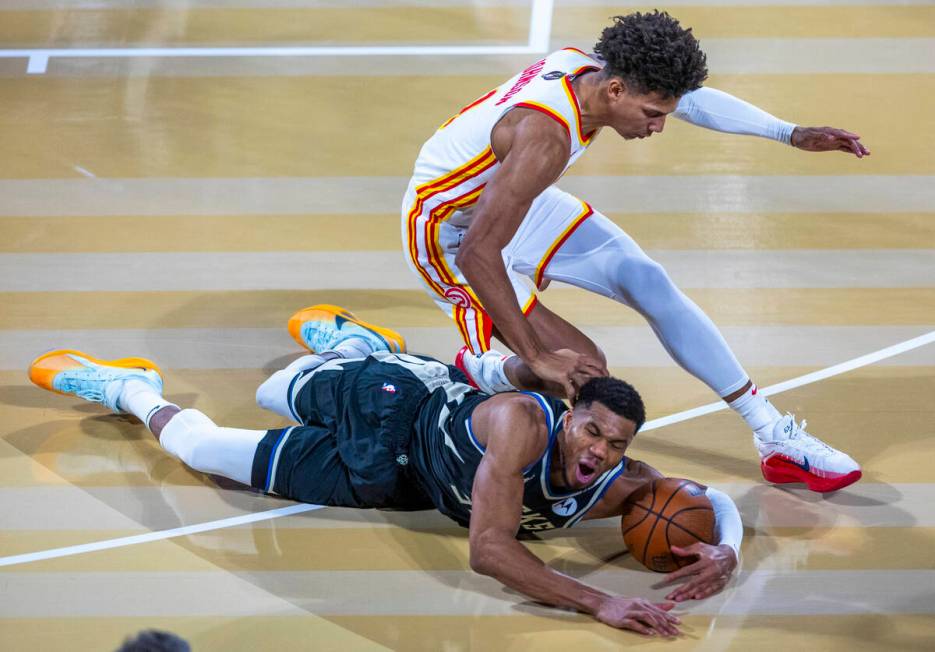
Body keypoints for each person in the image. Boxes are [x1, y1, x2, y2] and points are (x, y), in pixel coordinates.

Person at [29, 305, 743, 637]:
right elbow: (490, 551)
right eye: (591, 430)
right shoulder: (525, 424)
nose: (599, 451)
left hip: (390, 480)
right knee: (271, 389)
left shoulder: (618, 482)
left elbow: (709, 497)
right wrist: (599, 602)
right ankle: (355, 345)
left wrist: (726, 546)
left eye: (616, 444)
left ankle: (126, 388)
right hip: (396, 402)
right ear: (568, 417)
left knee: (204, 454)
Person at [402, 10, 867, 493]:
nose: (660, 127)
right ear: (617, 91)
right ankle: (489, 373)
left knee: (645, 279)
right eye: (653, 114)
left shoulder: (595, 70)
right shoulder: (546, 138)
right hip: (451, 235)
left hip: (509, 200)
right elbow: (480, 252)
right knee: (583, 370)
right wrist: (536, 354)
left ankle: (772, 436)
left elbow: (691, 101)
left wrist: (788, 133)